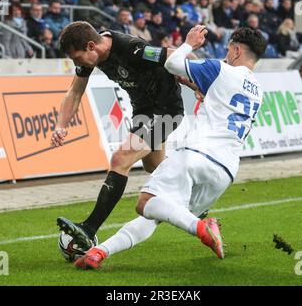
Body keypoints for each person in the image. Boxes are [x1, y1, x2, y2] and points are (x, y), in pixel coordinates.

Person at [74, 26, 267, 270]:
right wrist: (194, 86)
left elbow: (173, 62)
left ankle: (202, 227)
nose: (226, 55)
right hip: (226, 171)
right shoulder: (258, 91)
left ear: (237, 50)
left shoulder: (221, 69)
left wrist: (188, 44)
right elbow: (215, 98)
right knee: (157, 214)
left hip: (197, 155)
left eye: (229, 50)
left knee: (145, 203)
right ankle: (99, 253)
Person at [53, 21, 186, 250]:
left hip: (166, 109)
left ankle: (89, 229)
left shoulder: (131, 47)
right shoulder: (91, 54)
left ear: (91, 46)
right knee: (155, 167)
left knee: (120, 159)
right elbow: (75, 91)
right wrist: (60, 125)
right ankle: (192, 198)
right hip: (144, 111)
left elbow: (174, 56)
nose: (77, 64)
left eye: (76, 58)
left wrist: (201, 85)